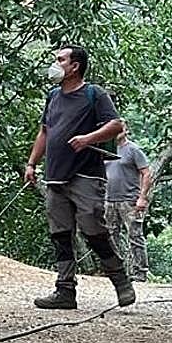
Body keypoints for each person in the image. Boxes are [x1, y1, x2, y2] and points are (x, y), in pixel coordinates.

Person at [24, 46, 137, 310]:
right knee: (60, 234)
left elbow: (116, 125)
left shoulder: (94, 94)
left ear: (74, 66)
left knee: (93, 230)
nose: (55, 64)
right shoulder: (53, 96)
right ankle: (65, 290)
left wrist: (88, 139)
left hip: (86, 175)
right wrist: (31, 164)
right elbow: (44, 132)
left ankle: (121, 281)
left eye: (60, 60)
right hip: (55, 177)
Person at [105, 124, 153, 283]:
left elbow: (146, 173)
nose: (117, 132)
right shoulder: (107, 150)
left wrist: (142, 197)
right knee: (110, 236)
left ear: (126, 130)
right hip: (109, 199)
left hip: (129, 200)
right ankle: (115, 271)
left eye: (121, 128)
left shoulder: (133, 150)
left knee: (135, 236)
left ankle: (140, 272)